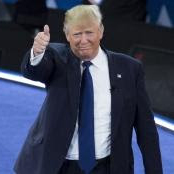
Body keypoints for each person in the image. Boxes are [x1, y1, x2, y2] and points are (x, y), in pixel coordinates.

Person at [14, 5, 162, 174]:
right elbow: (36, 70)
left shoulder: (129, 69)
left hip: (108, 167)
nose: (83, 40)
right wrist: (37, 52)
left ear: (101, 31)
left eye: (89, 33)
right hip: (60, 166)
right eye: (77, 34)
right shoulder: (56, 57)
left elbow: (146, 131)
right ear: (67, 35)